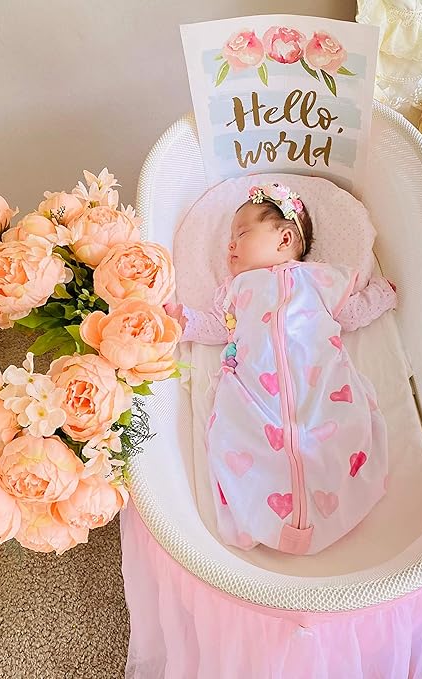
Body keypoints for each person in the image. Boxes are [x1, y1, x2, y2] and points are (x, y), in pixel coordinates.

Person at [165, 182, 396, 555]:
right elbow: (221, 327)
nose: (230, 246)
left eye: (242, 234)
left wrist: (380, 295)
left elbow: (350, 315)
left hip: (320, 382)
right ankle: (263, 515)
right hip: (255, 392)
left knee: (335, 430)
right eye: (230, 238)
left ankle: (327, 502)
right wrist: (184, 321)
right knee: (243, 437)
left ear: (285, 238)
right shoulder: (236, 290)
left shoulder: (319, 279)